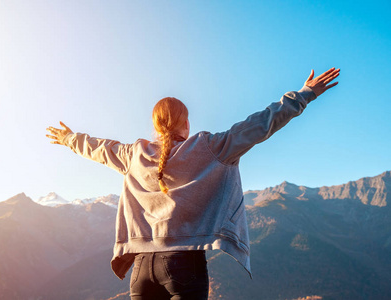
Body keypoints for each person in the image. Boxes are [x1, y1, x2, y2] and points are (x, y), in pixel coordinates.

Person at [46, 67, 340, 299]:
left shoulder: (133, 154)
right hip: (184, 267)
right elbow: (261, 124)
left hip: (140, 271)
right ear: (185, 124)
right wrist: (303, 94)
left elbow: (98, 147)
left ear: (155, 125)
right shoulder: (209, 147)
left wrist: (69, 139)